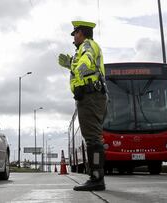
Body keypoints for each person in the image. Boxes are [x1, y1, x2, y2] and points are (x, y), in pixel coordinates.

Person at [58, 20, 108, 191]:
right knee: (93, 137)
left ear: (82, 33)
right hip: (92, 96)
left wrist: (78, 76)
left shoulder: (87, 45)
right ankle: (96, 176)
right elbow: (84, 63)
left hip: (90, 96)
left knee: (92, 139)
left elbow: (86, 62)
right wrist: (70, 64)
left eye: (75, 33)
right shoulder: (85, 48)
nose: (74, 37)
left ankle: (96, 179)